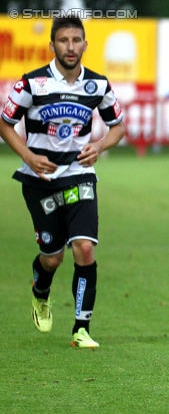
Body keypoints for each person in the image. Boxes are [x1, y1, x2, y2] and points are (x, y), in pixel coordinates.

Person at [0, 17, 125, 348]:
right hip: (39, 181)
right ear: (52, 45)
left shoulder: (98, 85)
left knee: (84, 249)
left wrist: (98, 145)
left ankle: (81, 328)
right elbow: (5, 124)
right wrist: (28, 157)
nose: (71, 47)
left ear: (86, 44)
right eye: (64, 41)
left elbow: (118, 127)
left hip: (79, 176)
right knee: (52, 257)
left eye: (76, 40)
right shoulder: (31, 84)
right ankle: (41, 289)